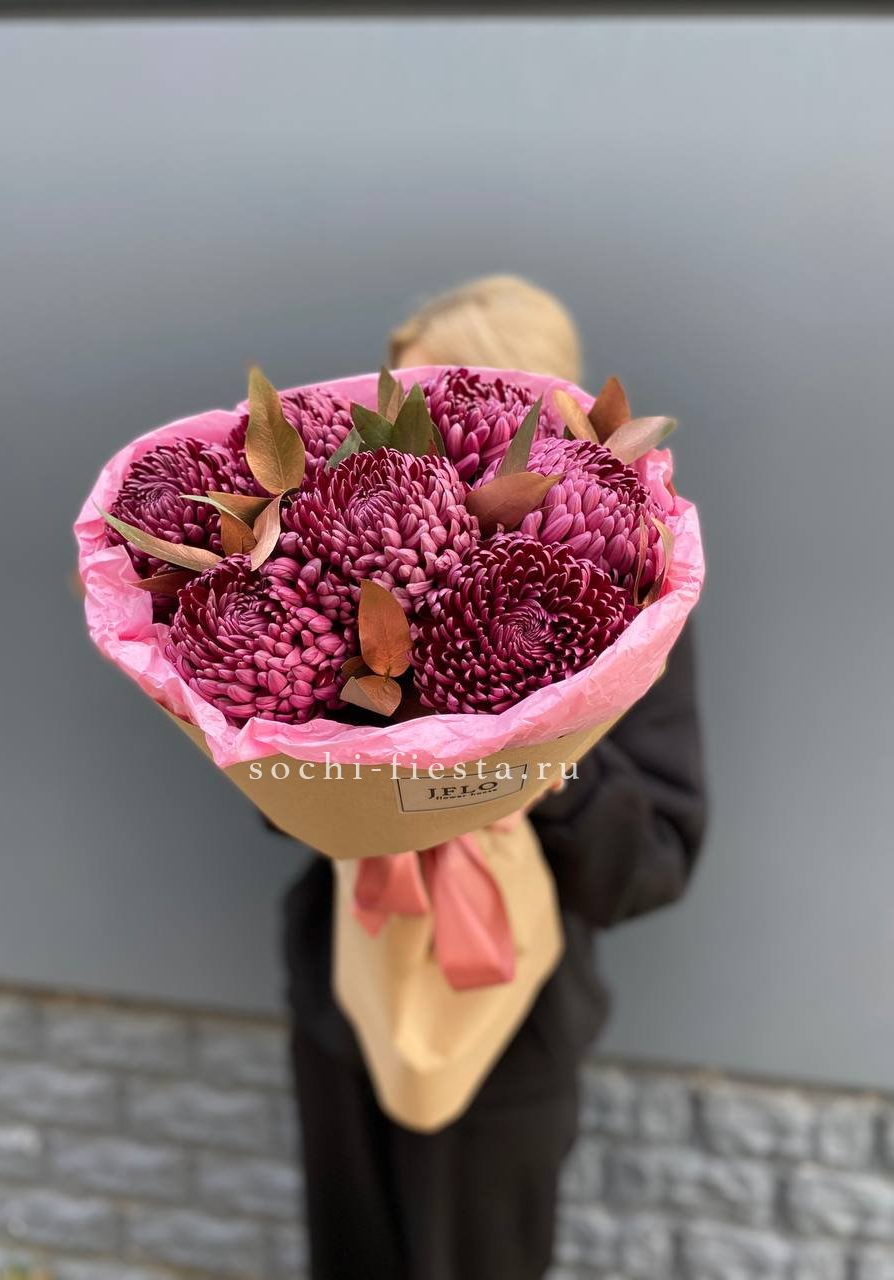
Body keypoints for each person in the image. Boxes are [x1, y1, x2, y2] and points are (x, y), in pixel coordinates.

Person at [283, 274, 706, 1280]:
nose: (413, 448)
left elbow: (653, 862)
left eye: (441, 413)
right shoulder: (348, 561)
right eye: (398, 411)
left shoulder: (636, 603)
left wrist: (536, 752)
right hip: (342, 996)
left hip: (514, 1031)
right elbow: (279, 804)